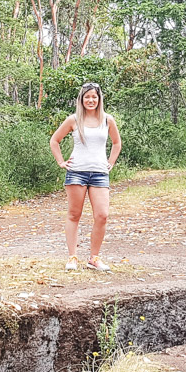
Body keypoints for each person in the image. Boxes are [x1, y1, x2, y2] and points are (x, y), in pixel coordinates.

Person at [49, 82, 122, 272]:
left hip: (99, 173)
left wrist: (111, 162)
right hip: (76, 172)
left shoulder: (108, 120)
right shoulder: (73, 120)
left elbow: (116, 143)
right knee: (74, 214)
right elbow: (54, 141)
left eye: (94, 97)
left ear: (99, 99)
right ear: (81, 99)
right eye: (87, 97)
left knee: (102, 215)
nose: (91, 100)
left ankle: (94, 258)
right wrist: (61, 162)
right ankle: (72, 257)